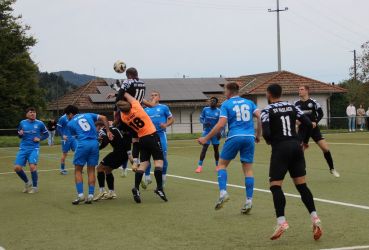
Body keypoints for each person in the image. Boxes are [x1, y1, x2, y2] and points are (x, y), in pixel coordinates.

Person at [261, 84, 322, 241]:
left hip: (281, 149)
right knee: (302, 186)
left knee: (275, 186)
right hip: (296, 147)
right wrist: (302, 140)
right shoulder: (291, 106)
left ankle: (281, 222)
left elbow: (267, 133)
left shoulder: (266, 110)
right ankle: (315, 218)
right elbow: (308, 123)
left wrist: (273, 141)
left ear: (268, 94)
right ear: (281, 93)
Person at [198, 82, 261, 214]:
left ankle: (223, 193)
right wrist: (258, 134)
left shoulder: (226, 104)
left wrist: (206, 138)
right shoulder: (249, 102)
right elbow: (260, 116)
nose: (224, 93)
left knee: (221, 165)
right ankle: (249, 201)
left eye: (224, 90)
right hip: (249, 137)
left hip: (234, 136)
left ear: (229, 91)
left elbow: (221, 125)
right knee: (248, 170)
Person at [117, 92, 168, 203]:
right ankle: (159, 188)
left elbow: (122, 108)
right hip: (152, 136)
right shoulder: (137, 107)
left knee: (144, 164)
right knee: (159, 162)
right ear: (130, 105)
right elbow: (129, 96)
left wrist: (118, 96)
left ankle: (136, 188)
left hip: (142, 140)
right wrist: (123, 91)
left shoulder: (124, 117)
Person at [64, 105, 112, 205]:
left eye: (67, 115)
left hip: (83, 144)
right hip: (94, 144)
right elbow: (104, 118)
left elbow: (76, 135)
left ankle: (80, 195)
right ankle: (90, 196)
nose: (67, 117)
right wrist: (108, 131)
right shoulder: (88, 114)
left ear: (71, 114)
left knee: (78, 170)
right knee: (91, 170)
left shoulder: (70, 123)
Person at [108, 67, 154, 171]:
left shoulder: (127, 82)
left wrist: (118, 103)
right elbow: (134, 95)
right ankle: (137, 161)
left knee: (119, 131)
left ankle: (129, 159)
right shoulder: (142, 82)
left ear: (128, 75)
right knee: (137, 138)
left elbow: (122, 94)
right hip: (139, 110)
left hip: (128, 110)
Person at [295, 85, 340, 178]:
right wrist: (296, 121)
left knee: (325, 149)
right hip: (302, 130)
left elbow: (321, 113)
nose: (299, 91)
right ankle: (300, 171)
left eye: (301, 89)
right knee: (300, 151)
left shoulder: (313, 102)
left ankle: (332, 169)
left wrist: (315, 122)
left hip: (314, 130)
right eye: (299, 89)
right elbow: (293, 115)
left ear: (307, 91)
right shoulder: (296, 104)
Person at [141, 90, 174, 189]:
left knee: (163, 157)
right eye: (152, 95)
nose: (153, 97)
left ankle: (162, 181)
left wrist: (166, 125)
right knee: (147, 157)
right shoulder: (145, 109)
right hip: (149, 135)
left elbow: (172, 119)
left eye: (155, 95)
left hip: (160, 135)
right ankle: (147, 177)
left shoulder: (164, 107)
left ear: (159, 97)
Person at [14, 107, 49, 194]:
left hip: (34, 148)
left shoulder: (40, 123)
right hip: (23, 148)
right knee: (17, 168)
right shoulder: (22, 123)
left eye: (34, 112)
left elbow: (46, 134)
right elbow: (19, 134)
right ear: (27, 114)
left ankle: (35, 187)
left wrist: (39, 138)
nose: (33, 114)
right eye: (31, 112)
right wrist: (20, 134)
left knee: (32, 166)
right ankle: (27, 182)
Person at [94, 121, 129, 201]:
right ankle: (112, 192)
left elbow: (105, 140)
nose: (95, 130)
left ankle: (102, 191)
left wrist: (97, 148)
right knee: (108, 170)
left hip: (118, 153)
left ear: (99, 126)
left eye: (95, 128)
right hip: (125, 154)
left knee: (99, 168)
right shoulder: (114, 128)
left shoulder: (103, 130)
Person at [195, 97, 221, 173]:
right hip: (206, 132)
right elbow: (201, 118)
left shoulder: (219, 111)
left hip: (215, 133)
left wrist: (220, 132)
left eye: (213, 101)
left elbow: (221, 123)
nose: (211, 102)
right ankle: (199, 167)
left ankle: (217, 166)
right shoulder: (205, 109)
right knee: (204, 148)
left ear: (216, 103)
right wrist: (204, 122)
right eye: (211, 101)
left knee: (216, 149)